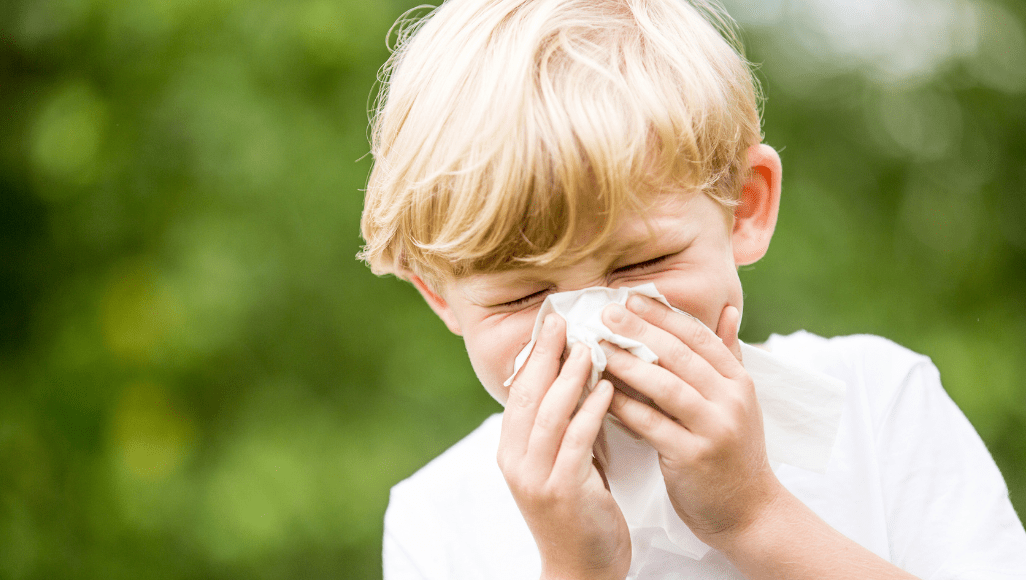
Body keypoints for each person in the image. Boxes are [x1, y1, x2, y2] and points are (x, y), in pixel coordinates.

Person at [358, 0, 1026, 578]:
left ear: (745, 209)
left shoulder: (875, 404)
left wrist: (755, 516)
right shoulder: (440, 514)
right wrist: (575, 571)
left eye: (639, 265)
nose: (593, 324)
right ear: (442, 297)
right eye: (519, 297)